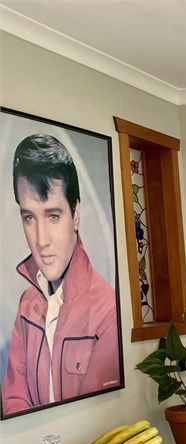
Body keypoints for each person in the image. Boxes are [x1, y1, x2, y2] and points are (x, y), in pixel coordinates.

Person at [1, 134, 121, 414]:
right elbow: (13, 401)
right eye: (29, 217)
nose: (41, 240)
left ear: (75, 214)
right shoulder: (27, 305)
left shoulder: (108, 314)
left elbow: (97, 417)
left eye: (53, 216)